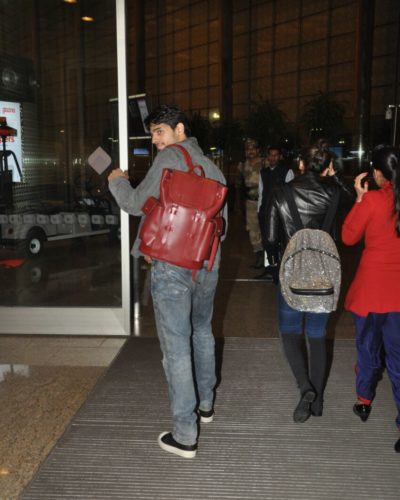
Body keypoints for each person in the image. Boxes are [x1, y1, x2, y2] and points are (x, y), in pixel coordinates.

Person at [108, 104, 227, 459]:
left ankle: (185, 434)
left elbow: (133, 202)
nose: (156, 141)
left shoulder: (170, 158)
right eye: (153, 134)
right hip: (207, 264)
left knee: (176, 348)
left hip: (172, 267)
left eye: (159, 131)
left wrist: (116, 180)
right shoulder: (214, 168)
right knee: (203, 331)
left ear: (179, 129)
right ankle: (206, 406)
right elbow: (224, 226)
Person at [264, 142, 349, 423]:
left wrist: (278, 262)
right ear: (328, 166)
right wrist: (333, 178)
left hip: (292, 274)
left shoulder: (281, 192)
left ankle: (305, 388)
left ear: (300, 164)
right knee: (317, 336)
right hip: (324, 274)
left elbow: (271, 238)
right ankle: (319, 401)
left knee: (289, 331)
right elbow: (348, 213)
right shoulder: (335, 192)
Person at [342, 145, 400, 453]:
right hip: (398, 295)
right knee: (399, 360)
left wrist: (360, 198)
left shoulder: (374, 201)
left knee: (367, 349)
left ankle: (364, 402)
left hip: (369, 292)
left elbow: (348, 236)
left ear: (376, 172)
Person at [256, 146, 294, 280]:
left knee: (280, 242)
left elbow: (291, 195)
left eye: (275, 155)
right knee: (267, 243)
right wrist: (259, 211)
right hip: (265, 212)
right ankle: (270, 269)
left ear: (280, 156)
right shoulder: (263, 173)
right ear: (267, 156)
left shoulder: (287, 172)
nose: (273, 157)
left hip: (281, 214)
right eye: (270, 155)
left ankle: (281, 271)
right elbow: (261, 193)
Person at [237, 138, 264, 268]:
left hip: (264, 201)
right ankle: (259, 256)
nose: (250, 151)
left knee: (265, 229)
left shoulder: (264, 163)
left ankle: (269, 259)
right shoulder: (242, 165)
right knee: (253, 231)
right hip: (250, 202)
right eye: (248, 148)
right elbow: (239, 185)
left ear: (258, 150)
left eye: (253, 148)